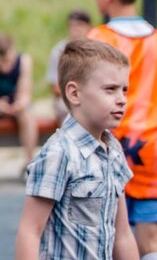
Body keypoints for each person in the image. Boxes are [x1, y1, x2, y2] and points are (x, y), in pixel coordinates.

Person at [15, 38, 138, 260]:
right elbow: (30, 231)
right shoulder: (59, 154)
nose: (121, 100)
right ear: (74, 93)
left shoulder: (114, 151)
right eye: (110, 90)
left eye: (125, 90)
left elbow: (123, 235)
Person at [88, 0, 157, 260]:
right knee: (151, 239)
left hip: (109, 147)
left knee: (111, 238)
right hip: (152, 148)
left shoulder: (99, 40)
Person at [0, 32, 38, 186]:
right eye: (1, 62)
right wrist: (0, 105)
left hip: (16, 102)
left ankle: (29, 162)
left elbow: (26, 94)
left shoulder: (24, 61)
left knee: (28, 114)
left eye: (7, 61)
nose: (4, 67)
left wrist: (18, 105)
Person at [45, 9, 93, 119]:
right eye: (72, 25)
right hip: (67, 97)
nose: (76, 29)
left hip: (91, 96)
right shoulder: (58, 50)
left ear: (90, 27)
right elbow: (55, 87)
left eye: (80, 25)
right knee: (67, 109)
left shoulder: (98, 50)